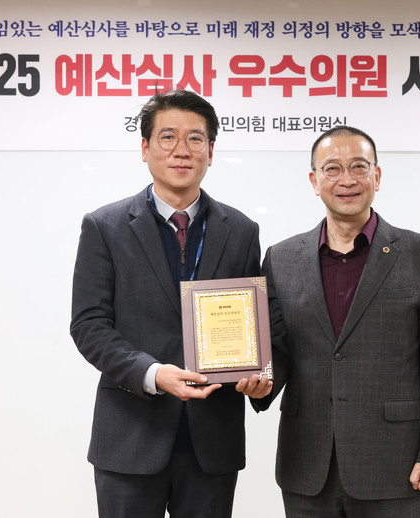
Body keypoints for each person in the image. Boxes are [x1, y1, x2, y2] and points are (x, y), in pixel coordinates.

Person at [70, 89, 272, 518]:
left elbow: (252, 323)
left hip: (212, 439)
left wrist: (259, 376)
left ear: (211, 151)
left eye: (195, 139)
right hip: (131, 434)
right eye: (168, 137)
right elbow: (89, 325)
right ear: (145, 148)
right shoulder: (105, 226)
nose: (182, 150)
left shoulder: (241, 230)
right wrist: (153, 373)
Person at [256, 126, 420, 517]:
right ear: (314, 181)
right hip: (307, 461)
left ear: (376, 176)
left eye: (359, 167)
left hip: (394, 463)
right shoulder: (281, 259)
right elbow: (279, 349)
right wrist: (257, 382)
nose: (346, 179)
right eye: (332, 168)